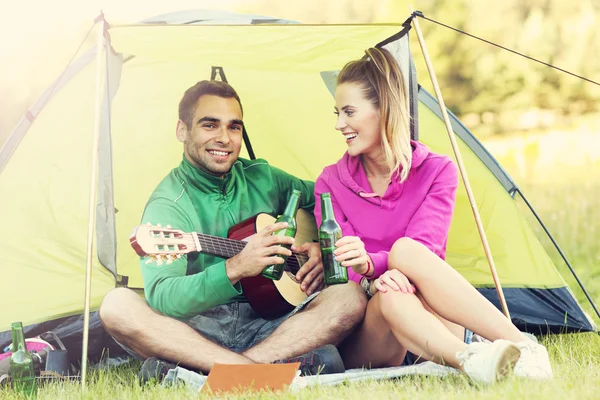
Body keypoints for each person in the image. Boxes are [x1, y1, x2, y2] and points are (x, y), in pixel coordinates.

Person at [99, 80, 367, 382]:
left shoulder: (263, 177)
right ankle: (265, 371)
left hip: (275, 323)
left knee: (349, 296)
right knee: (117, 306)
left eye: (234, 127)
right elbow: (163, 296)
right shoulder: (167, 205)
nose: (224, 138)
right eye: (210, 125)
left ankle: (209, 374)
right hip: (197, 332)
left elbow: (332, 198)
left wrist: (322, 245)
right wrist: (235, 268)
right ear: (182, 130)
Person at [314, 48, 553, 384]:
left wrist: (376, 262)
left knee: (406, 255)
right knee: (388, 294)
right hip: (373, 330)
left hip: (431, 315)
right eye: (338, 113)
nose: (340, 124)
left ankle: (513, 349)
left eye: (349, 112)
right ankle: (480, 355)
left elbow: (423, 250)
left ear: (384, 110)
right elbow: (339, 270)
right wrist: (369, 273)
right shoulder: (330, 183)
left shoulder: (437, 171)